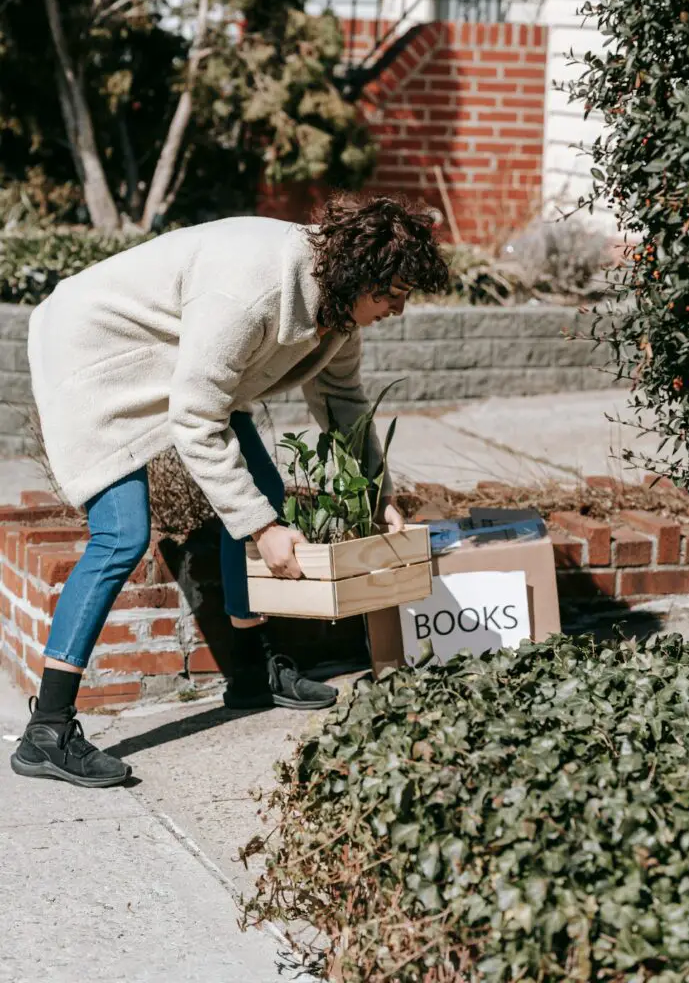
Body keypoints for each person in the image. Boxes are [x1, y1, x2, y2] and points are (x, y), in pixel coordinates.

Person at [11, 195, 448, 788]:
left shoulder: (338, 308)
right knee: (122, 534)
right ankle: (49, 728)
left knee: (259, 488)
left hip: (180, 356)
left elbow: (342, 403)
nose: (398, 308)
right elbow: (196, 419)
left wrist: (379, 495)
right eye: (394, 292)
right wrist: (264, 530)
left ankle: (249, 672)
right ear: (360, 274)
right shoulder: (254, 289)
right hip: (97, 350)